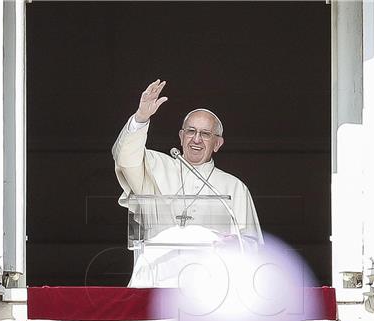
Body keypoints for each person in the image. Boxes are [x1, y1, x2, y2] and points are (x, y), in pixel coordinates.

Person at [113, 79, 263, 287]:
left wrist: (232, 245)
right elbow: (125, 158)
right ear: (181, 137)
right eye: (191, 131)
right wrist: (141, 118)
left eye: (205, 134)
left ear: (217, 144)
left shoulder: (234, 187)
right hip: (157, 281)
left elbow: (251, 244)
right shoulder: (155, 167)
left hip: (210, 287)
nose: (196, 139)